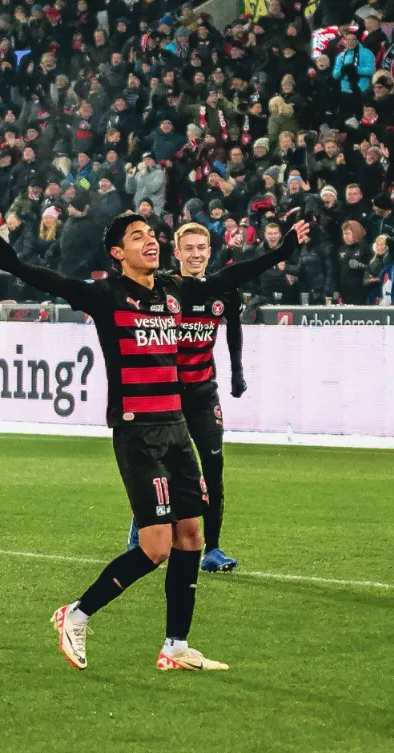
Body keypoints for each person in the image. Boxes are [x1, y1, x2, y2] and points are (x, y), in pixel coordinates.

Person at [0, 214, 309, 672]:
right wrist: (7, 259)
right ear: (118, 253)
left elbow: (231, 277)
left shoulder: (175, 291)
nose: (150, 242)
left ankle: (175, 646)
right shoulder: (105, 296)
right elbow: (49, 280)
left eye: (152, 236)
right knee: (155, 547)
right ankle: (75, 615)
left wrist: (280, 254)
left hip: (176, 428)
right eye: (138, 238)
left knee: (191, 536)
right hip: (138, 434)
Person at [127, 222, 246, 573]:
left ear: (209, 252)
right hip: (166, 394)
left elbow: (234, 331)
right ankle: (143, 522)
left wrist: (237, 373)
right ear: (177, 253)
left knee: (213, 467)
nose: (195, 254)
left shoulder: (224, 290)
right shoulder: (163, 288)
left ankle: (213, 549)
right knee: (161, 466)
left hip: (203, 392)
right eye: (188, 249)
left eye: (201, 248)